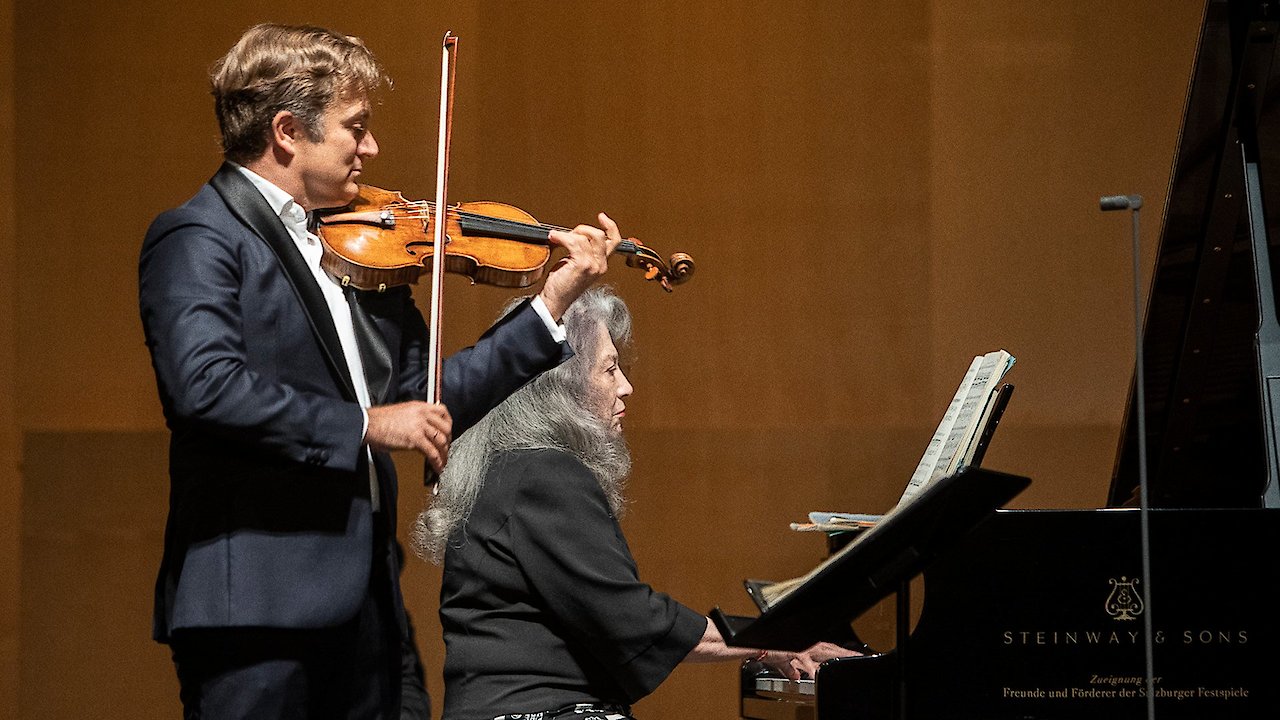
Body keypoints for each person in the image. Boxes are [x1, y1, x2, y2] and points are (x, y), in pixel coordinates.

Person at [138, 23, 621, 720]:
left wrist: (551, 301)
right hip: (259, 613)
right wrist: (364, 424)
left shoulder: (358, 245)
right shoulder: (199, 235)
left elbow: (426, 401)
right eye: (354, 128)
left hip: (368, 611)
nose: (371, 148)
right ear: (285, 132)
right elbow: (203, 389)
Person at [415, 287, 856, 720]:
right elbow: (632, 619)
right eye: (609, 370)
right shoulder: (544, 474)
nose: (626, 387)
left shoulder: (503, 467)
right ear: (562, 387)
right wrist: (770, 640)